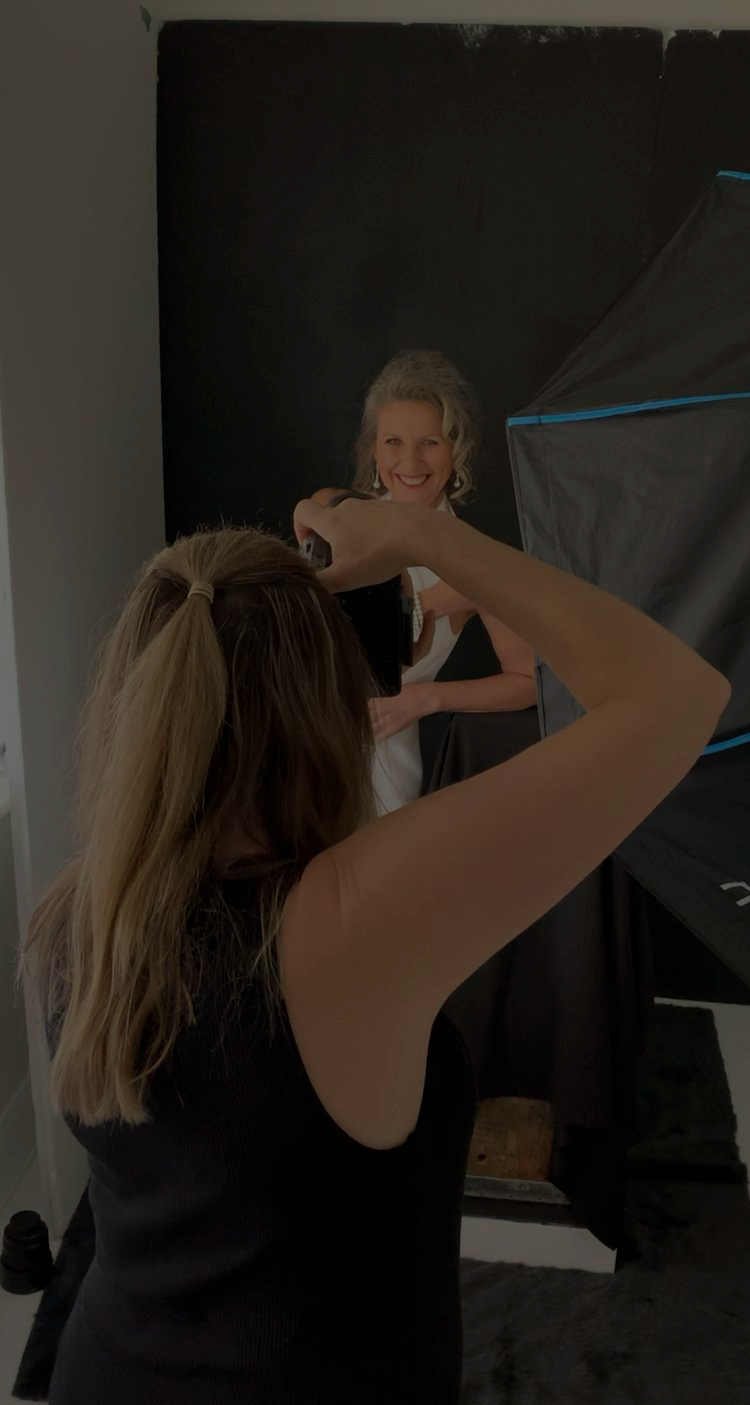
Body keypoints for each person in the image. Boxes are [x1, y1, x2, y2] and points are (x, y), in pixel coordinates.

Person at [25, 496, 730, 1404]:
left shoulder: (76, 912)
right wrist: (428, 535)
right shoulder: (345, 924)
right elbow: (680, 694)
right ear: (330, 702)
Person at [315, 350, 538, 814]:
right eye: (393, 441)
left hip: (378, 764)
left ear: (456, 451)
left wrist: (424, 699)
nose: (410, 460)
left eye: (430, 442)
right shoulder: (332, 514)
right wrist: (428, 604)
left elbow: (528, 681)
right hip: (298, 742)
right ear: (373, 449)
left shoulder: (477, 561)